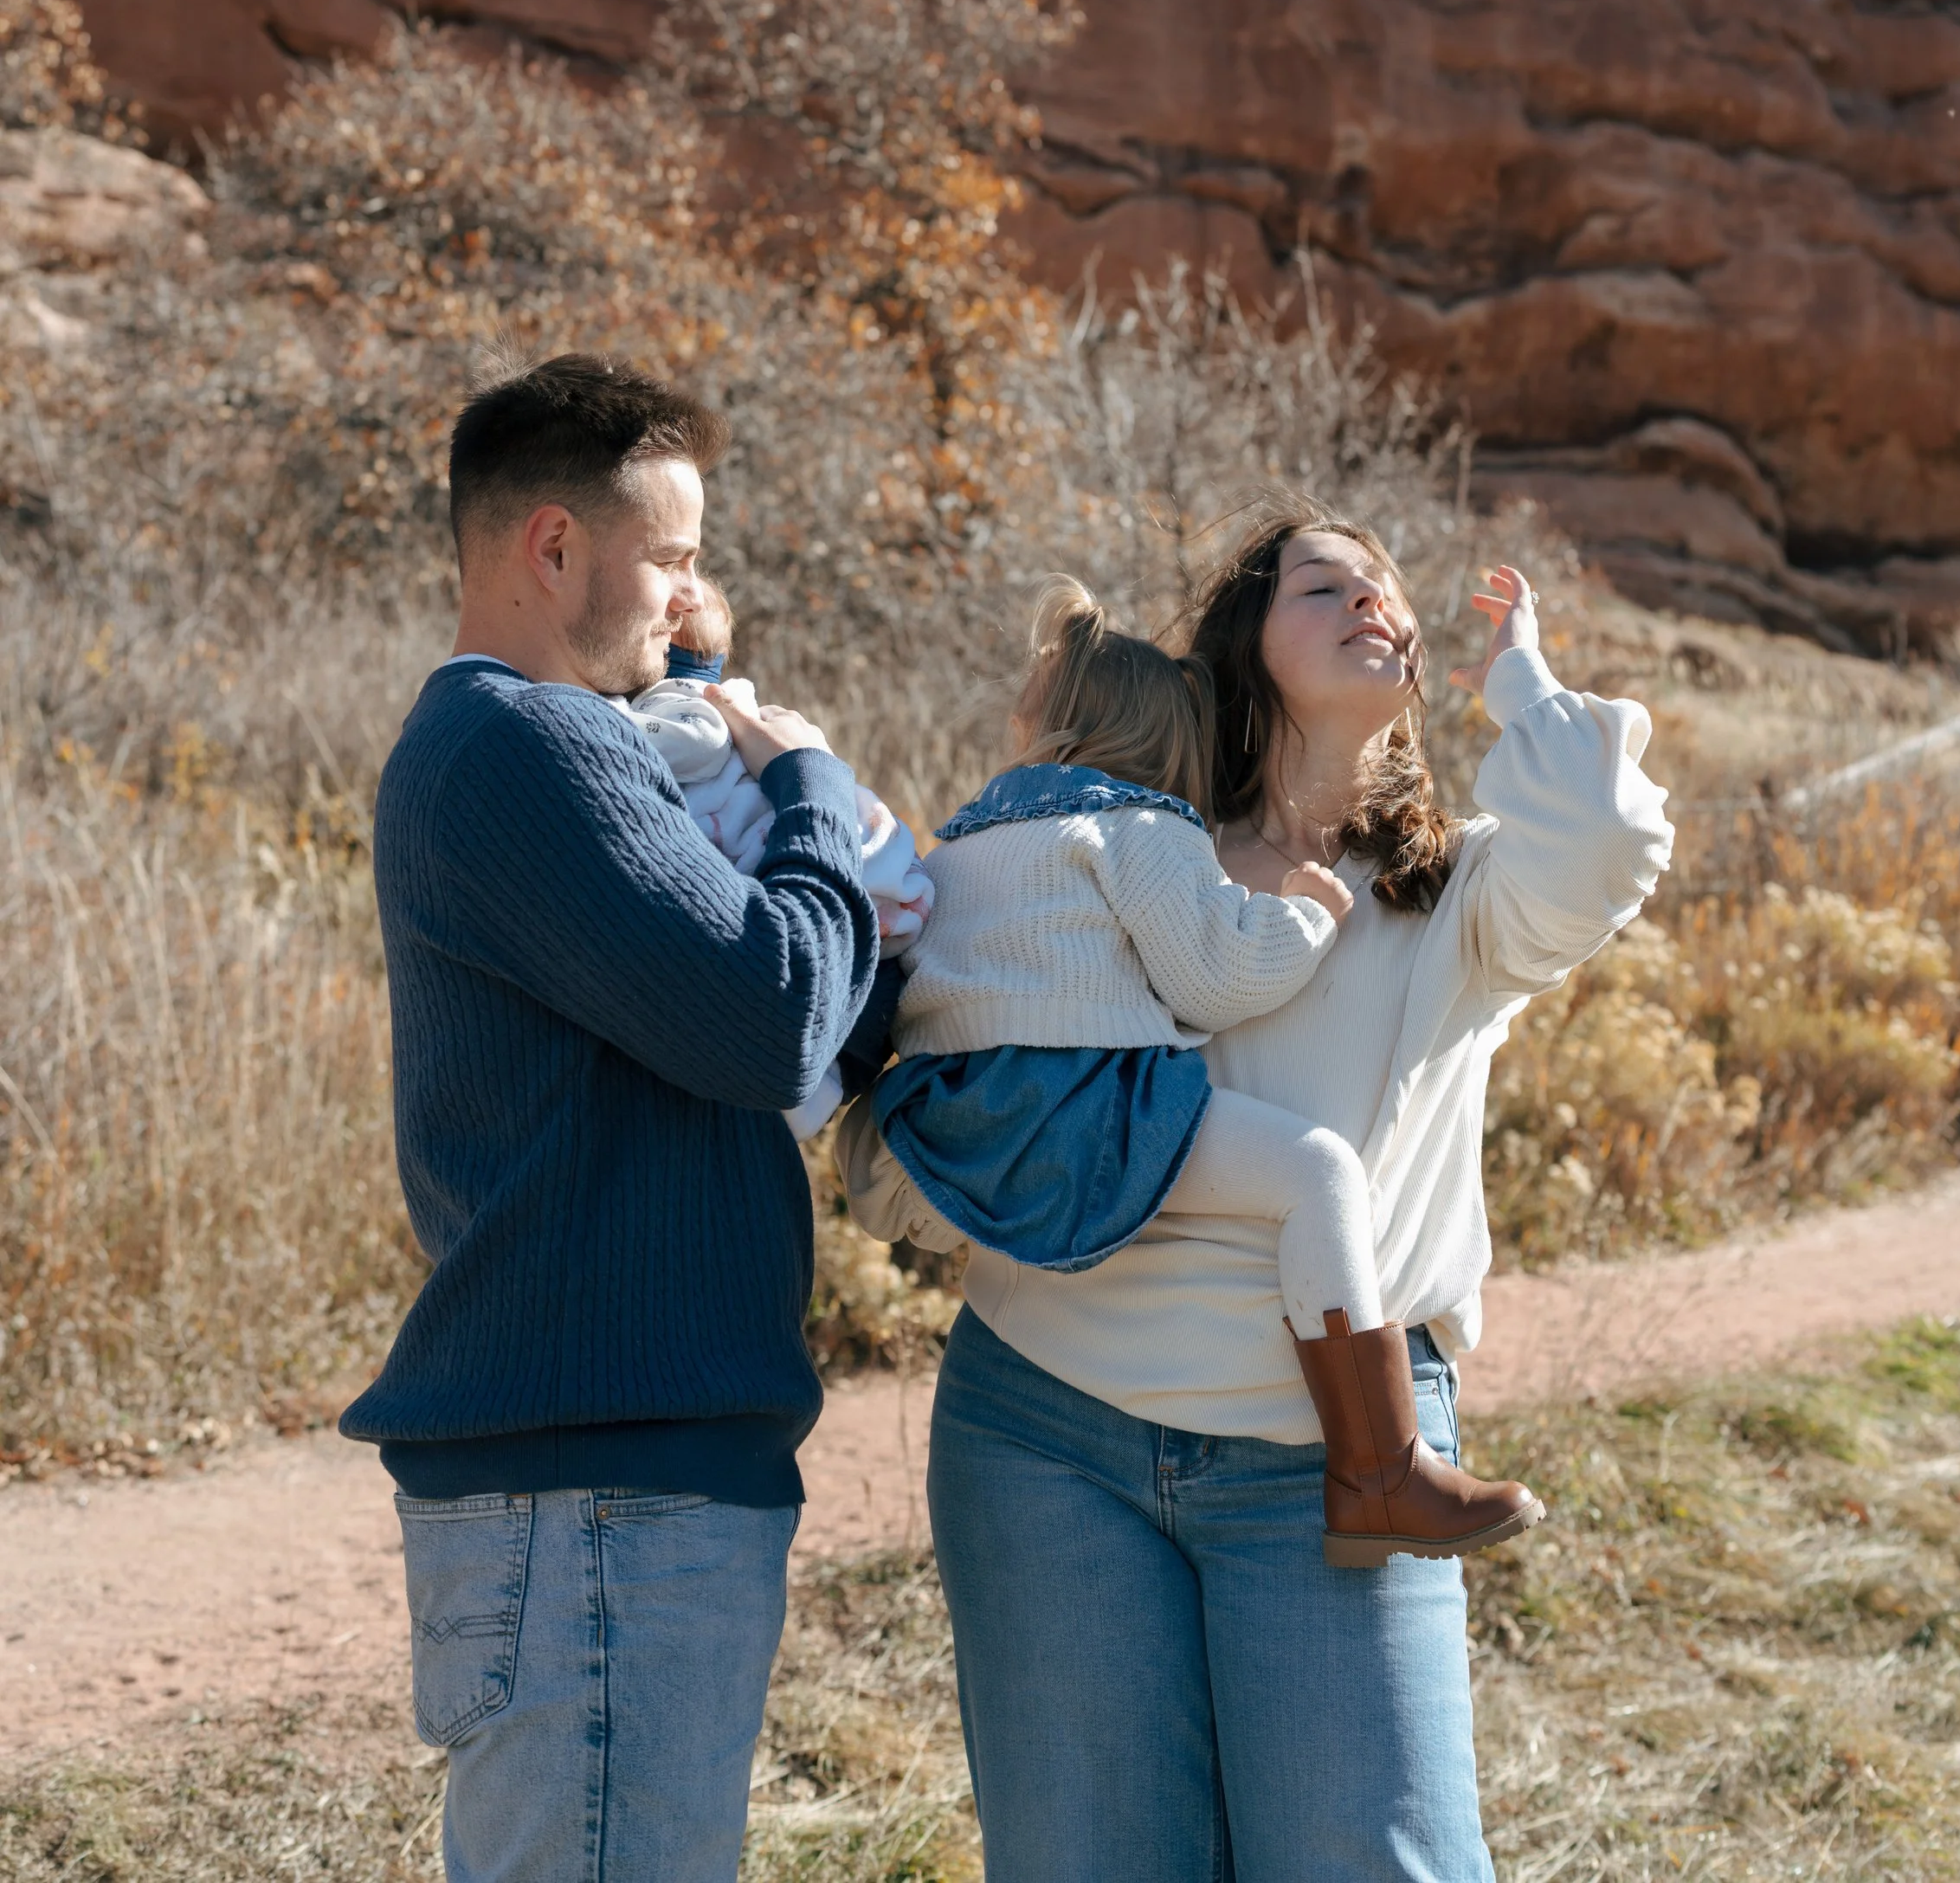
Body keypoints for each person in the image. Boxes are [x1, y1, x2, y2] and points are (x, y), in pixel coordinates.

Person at [843, 506, 1672, 1883]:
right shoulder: (1114, 837)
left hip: (1331, 1472)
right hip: (1047, 1435)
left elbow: (1606, 840)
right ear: (1246, 640)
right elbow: (962, 1035)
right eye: (1322, 581)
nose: (1372, 601)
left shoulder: (1456, 891)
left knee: (1379, 1861)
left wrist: (1519, 683)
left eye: (1388, 588)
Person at [341, 353, 885, 1883]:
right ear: (554, 547)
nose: (692, 599)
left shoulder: (539, 743)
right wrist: (816, 796)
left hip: (608, 1483)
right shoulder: (526, 742)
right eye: (673, 558)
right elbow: (774, 1010)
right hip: (599, 1498)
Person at [859, 577, 1541, 1558]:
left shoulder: (965, 842)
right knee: (1319, 1173)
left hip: (954, 1111)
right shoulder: (1141, 831)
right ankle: (1379, 1467)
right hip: (1092, 1105)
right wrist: (1308, 918)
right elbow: (1214, 980)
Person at [624, 577, 934, 1138]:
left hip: (764, 871)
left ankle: (799, 1103)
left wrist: (606, 720)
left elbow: (689, 742)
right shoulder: (738, 709)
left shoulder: (686, 707)